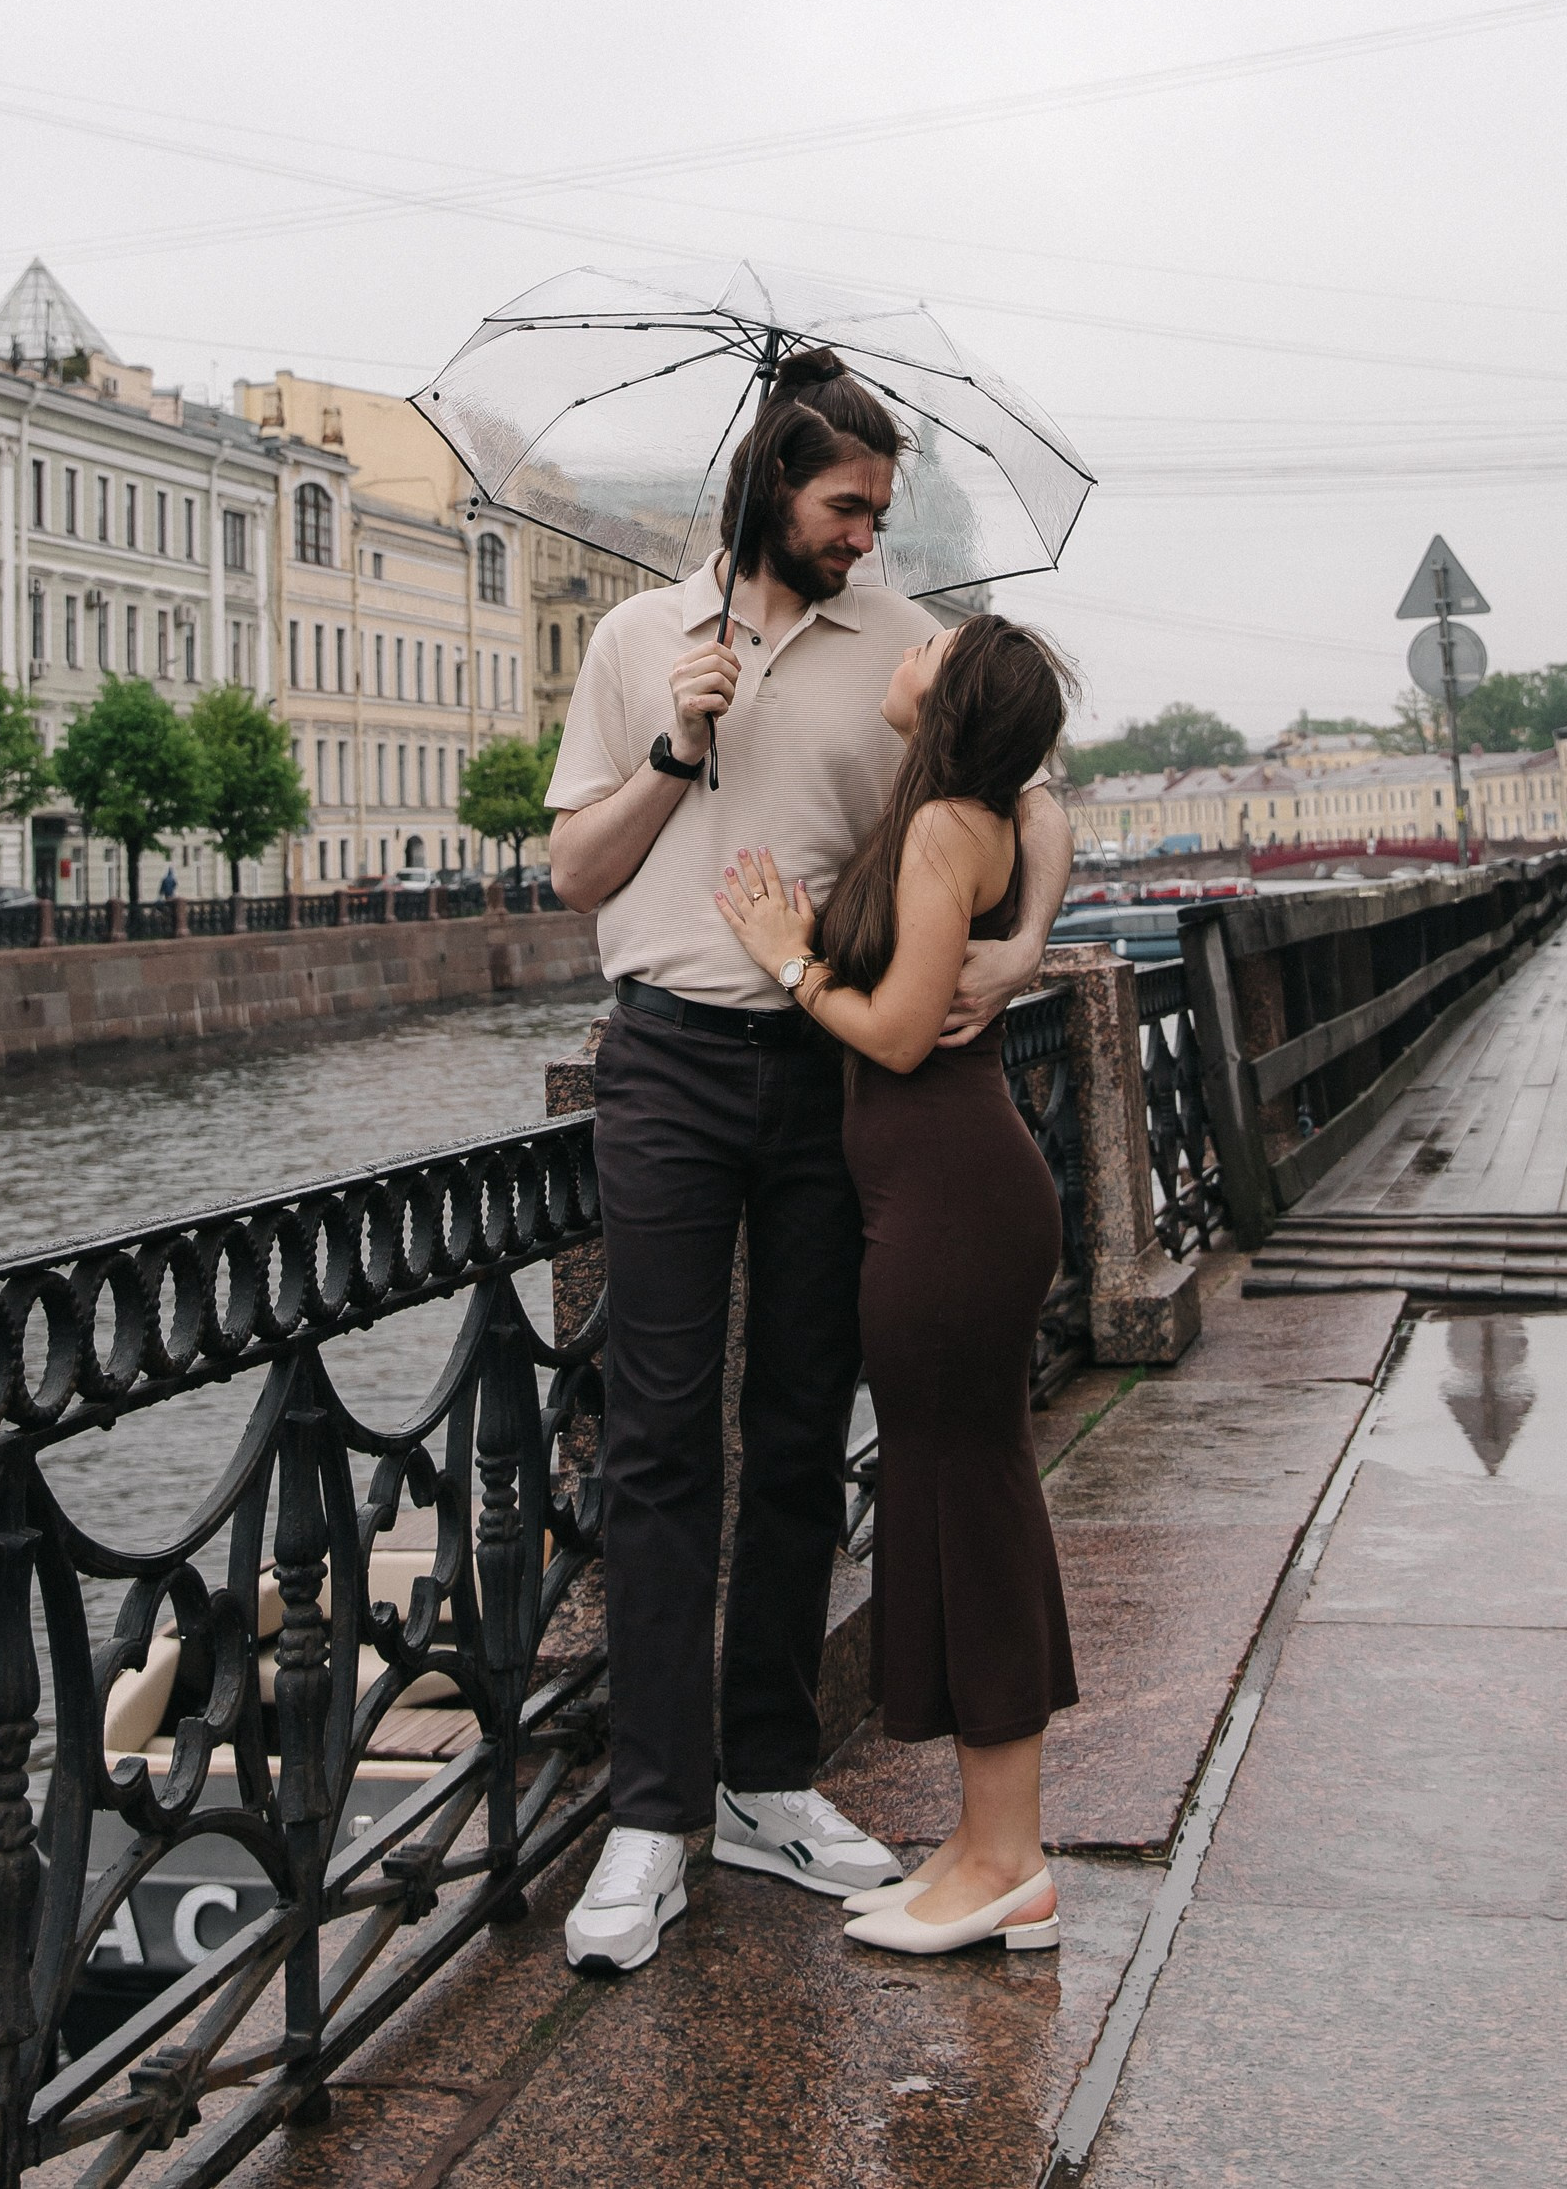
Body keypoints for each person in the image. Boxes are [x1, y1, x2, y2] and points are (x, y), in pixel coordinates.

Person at [546, 353, 1071, 1975]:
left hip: (834, 1076)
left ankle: (767, 1777)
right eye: (845, 507)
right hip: (669, 1066)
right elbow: (574, 872)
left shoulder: (908, 643)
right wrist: (674, 751)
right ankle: (651, 1815)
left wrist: (1022, 948)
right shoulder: (639, 641)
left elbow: (1039, 803)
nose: (865, 533)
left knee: (795, 1433)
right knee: (653, 1440)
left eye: (878, 511)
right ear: (771, 488)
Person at [714, 614, 1077, 1959]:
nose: (903, 648)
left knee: (966, 1506)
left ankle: (1006, 1862)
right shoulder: (956, 811)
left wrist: (786, 957)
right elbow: (1047, 813)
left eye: (932, 646)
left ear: (956, 693)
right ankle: (984, 1850)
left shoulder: (940, 831)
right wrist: (1025, 933)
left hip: (950, 1206)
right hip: (937, 1202)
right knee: (952, 1498)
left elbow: (898, 1031)